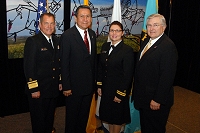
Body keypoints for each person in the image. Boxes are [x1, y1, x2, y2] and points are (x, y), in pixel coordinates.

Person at [132, 13, 178, 133]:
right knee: (146, 128)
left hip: (155, 101)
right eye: (149, 25)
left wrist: (158, 99)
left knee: (155, 129)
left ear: (164, 27)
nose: (151, 28)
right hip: (144, 98)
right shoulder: (147, 41)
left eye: (156, 25)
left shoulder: (168, 46)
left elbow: (167, 76)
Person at [59, 5, 97, 133]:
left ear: (91, 18)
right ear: (75, 18)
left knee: (83, 119)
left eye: (88, 16)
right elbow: (64, 63)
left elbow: (92, 62)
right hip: (73, 88)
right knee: (72, 120)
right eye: (82, 16)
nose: (85, 19)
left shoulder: (92, 34)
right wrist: (66, 86)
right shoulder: (67, 36)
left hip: (88, 87)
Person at [24, 13, 62, 133]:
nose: (49, 26)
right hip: (39, 90)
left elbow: (57, 64)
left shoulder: (56, 40)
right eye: (46, 23)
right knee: (39, 122)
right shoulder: (33, 41)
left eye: (52, 23)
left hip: (52, 89)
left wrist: (60, 81)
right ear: (40, 25)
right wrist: (34, 88)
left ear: (55, 25)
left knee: (49, 120)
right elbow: (29, 67)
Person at [97, 21, 134, 133]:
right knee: (109, 118)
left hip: (118, 91)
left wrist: (120, 93)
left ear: (122, 33)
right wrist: (99, 85)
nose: (114, 33)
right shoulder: (105, 46)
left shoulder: (127, 50)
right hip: (106, 90)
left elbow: (127, 74)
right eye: (112, 30)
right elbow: (100, 67)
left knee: (117, 119)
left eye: (117, 30)